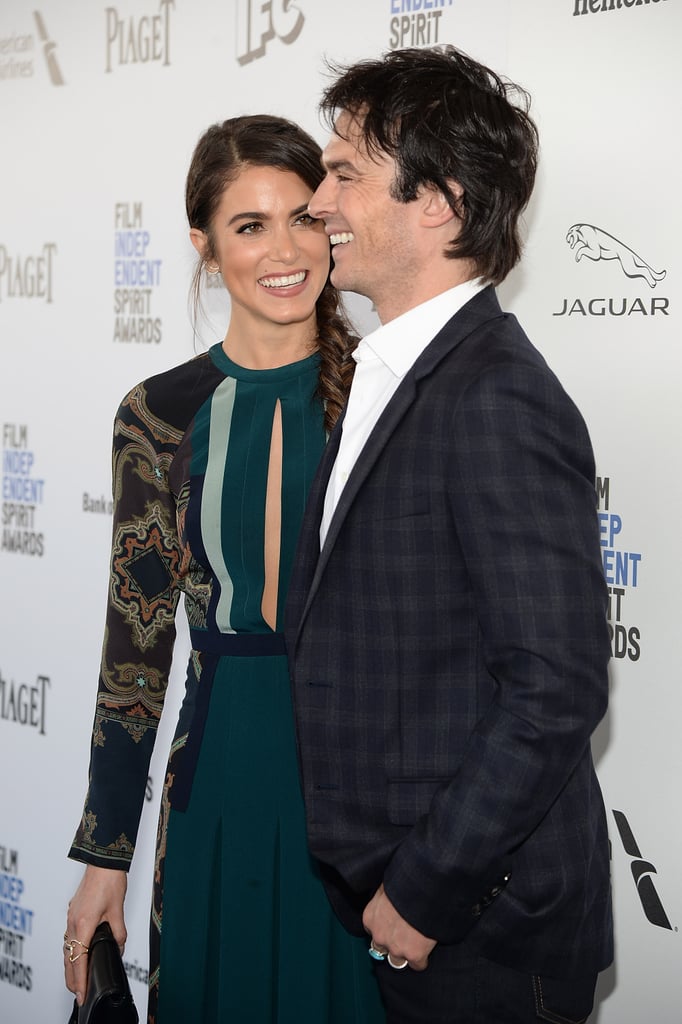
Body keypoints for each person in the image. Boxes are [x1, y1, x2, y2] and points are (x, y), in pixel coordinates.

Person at [284, 47, 613, 1024]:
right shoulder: (391, 375)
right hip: (406, 914)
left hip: (480, 932)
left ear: (439, 202)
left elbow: (555, 684)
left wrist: (424, 888)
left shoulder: (495, 397)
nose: (318, 200)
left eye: (344, 172)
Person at [64, 114, 385, 1023]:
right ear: (205, 246)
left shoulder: (392, 397)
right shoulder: (159, 416)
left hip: (366, 798)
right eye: (250, 226)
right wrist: (106, 857)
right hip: (219, 783)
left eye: (303, 218)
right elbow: (135, 652)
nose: (285, 251)